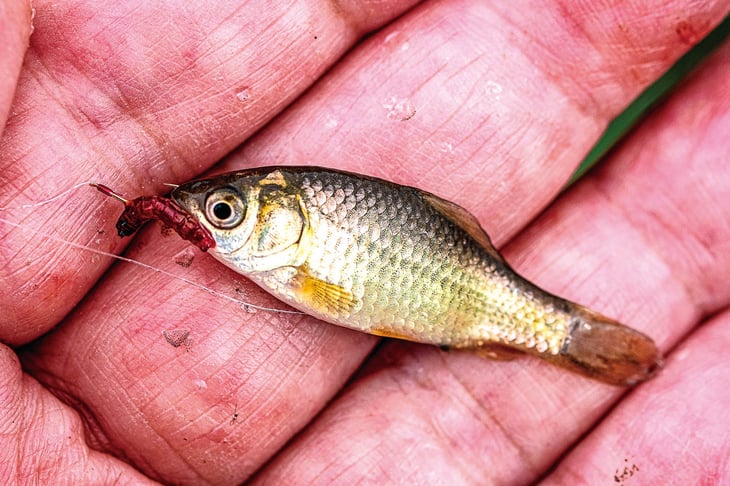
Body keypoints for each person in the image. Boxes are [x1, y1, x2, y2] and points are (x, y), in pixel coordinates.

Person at [1, 1, 728, 484]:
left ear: (287, 218)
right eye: (220, 212)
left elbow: (334, 292)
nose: (211, 227)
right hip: (434, 305)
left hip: (454, 298)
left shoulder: (303, 258)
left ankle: (567, 333)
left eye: (224, 211)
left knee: (523, 318)